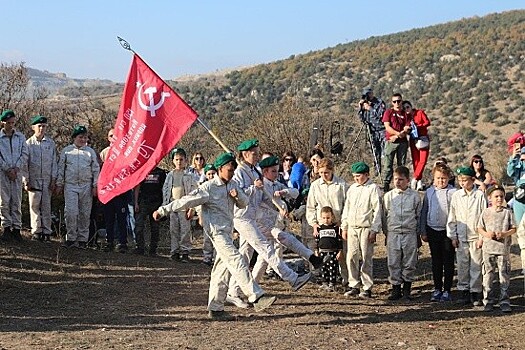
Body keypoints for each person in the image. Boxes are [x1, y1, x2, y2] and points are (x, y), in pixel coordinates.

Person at [153, 152, 276, 321]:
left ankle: (216, 308)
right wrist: (163, 210)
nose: (232, 173)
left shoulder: (232, 185)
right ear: (220, 169)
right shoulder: (208, 188)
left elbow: (244, 202)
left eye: (233, 170)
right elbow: (186, 200)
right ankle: (256, 296)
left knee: (222, 269)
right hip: (216, 233)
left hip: (227, 232)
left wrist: (237, 195)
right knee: (236, 259)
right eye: (229, 170)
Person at [227, 139, 311, 309]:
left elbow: (265, 196)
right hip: (243, 218)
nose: (257, 155)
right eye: (254, 153)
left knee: (244, 255)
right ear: (245, 154)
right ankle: (292, 278)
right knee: (265, 248)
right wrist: (253, 188)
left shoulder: (255, 172)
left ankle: (233, 292)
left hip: (254, 218)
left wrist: (278, 203)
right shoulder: (239, 173)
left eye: (258, 152)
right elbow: (238, 196)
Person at [252, 156, 322, 282]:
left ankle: (251, 287)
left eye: (277, 171)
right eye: (273, 171)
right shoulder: (260, 186)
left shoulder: (277, 184)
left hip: (272, 223)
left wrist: (284, 192)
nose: (276, 174)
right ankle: (308, 261)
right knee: (284, 238)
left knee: (264, 259)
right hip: (261, 225)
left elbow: (295, 192)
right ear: (265, 172)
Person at [446, 166, 487, 306]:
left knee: (476, 265)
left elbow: (483, 217)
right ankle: (464, 290)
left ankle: (475, 292)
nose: (462, 183)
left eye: (465, 180)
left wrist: (482, 237)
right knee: (463, 265)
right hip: (461, 237)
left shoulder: (480, 196)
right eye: (460, 180)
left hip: (475, 237)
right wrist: (453, 236)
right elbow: (453, 217)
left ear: (473, 180)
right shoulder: (457, 196)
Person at [306, 157, 349, 287]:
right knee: (323, 252)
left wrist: (343, 222)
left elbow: (347, 204)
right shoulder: (315, 186)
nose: (324, 175)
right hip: (322, 225)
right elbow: (311, 206)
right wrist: (314, 224)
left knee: (341, 252)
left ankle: (345, 279)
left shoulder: (341, 185)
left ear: (332, 171)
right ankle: (325, 278)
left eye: (326, 172)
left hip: (338, 224)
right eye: (321, 173)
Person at [341, 161, 382, 298]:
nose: (356, 179)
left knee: (366, 257)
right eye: (354, 176)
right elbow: (347, 208)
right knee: (351, 256)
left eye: (359, 176)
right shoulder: (352, 188)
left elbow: (377, 210)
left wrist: (374, 229)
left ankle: (367, 286)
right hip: (352, 226)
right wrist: (344, 226)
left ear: (366, 175)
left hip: (366, 227)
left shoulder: (373, 188)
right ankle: (353, 284)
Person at [56, 125, 100, 248]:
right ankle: (70, 238)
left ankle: (82, 239)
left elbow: (96, 170)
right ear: (74, 137)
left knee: (85, 213)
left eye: (85, 137)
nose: (83, 140)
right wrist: (59, 183)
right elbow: (61, 169)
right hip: (70, 185)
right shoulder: (67, 151)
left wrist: (95, 186)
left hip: (86, 185)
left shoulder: (90, 152)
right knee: (71, 212)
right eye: (80, 137)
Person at [382, 166, 422, 300]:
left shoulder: (415, 196)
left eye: (401, 179)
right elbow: (384, 215)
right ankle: (395, 288)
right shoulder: (388, 196)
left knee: (409, 262)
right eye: (395, 179)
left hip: (409, 233)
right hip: (394, 233)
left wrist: (418, 234)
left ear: (407, 180)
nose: (398, 182)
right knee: (393, 261)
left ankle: (407, 289)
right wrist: (386, 233)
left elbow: (418, 215)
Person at [420, 163, 456, 302]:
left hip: (447, 232)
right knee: (436, 261)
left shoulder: (453, 192)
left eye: (444, 178)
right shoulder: (429, 192)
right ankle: (437, 288)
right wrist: (423, 230)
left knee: (448, 261)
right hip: (432, 229)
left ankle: (447, 290)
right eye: (438, 178)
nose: (441, 181)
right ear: (433, 178)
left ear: (448, 178)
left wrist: (454, 233)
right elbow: (424, 211)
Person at [477, 186, 516, 312]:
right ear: (490, 198)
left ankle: (504, 300)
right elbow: (479, 227)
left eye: (501, 196)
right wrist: (486, 234)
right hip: (488, 249)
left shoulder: (507, 212)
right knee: (488, 274)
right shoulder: (486, 212)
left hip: (502, 249)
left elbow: (513, 228)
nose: (499, 199)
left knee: (504, 275)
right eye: (496, 196)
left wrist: (504, 234)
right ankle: (488, 299)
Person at [23, 115, 58, 242]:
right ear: (33, 127)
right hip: (34, 179)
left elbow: (54, 162)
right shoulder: (28, 144)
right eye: (39, 126)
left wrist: (54, 179)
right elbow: (24, 164)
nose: (42, 128)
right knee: (34, 205)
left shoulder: (50, 143)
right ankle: (36, 231)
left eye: (44, 126)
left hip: (47, 179)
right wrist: (26, 180)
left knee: (46, 206)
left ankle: (47, 231)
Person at [162, 147, 198, 262]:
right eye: (176, 159)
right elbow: (166, 190)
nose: (179, 162)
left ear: (185, 160)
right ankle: (174, 251)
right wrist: (165, 206)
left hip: (184, 207)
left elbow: (193, 192)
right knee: (174, 230)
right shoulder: (170, 176)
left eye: (181, 159)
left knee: (185, 230)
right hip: (173, 206)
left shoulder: (189, 176)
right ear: (173, 161)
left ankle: (185, 252)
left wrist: (191, 208)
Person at [0, 110, 28, 242]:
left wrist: (16, 168)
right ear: (3, 122)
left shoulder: (20, 137)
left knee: (16, 200)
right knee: (4, 201)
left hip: (17, 173)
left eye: (13, 122)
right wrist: (7, 169)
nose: (11, 125)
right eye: (8, 123)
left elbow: (24, 153)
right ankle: (6, 227)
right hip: (3, 173)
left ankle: (17, 228)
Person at [100, 129, 129, 253]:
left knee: (122, 218)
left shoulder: (125, 152)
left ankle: (123, 242)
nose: (113, 138)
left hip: (121, 191)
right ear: (108, 138)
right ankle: (109, 241)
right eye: (111, 135)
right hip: (108, 191)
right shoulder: (104, 153)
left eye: (115, 135)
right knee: (109, 218)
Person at [133, 166, 166, 256]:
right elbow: (137, 186)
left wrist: (164, 204)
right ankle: (140, 247)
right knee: (139, 225)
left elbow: (165, 188)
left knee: (155, 227)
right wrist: (136, 202)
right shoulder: (142, 169)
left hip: (156, 202)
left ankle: (153, 250)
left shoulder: (161, 172)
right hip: (143, 201)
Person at [382, 93, 411, 192]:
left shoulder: (406, 114)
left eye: (399, 101)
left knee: (401, 165)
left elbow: (407, 128)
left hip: (402, 142)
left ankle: (401, 184)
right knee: (388, 164)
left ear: (401, 101)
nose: (397, 103)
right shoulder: (388, 112)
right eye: (394, 101)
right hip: (391, 142)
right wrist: (396, 134)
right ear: (392, 102)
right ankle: (386, 183)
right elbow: (387, 127)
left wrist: (398, 135)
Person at [357, 87, 386, 175]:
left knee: (384, 152)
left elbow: (382, 116)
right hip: (371, 131)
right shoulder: (365, 104)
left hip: (381, 130)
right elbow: (361, 119)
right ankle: (377, 171)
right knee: (375, 151)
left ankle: (385, 173)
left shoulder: (379, 103)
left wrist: (370, 109)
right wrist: (360, 108)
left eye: (369, 94)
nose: (368, 96)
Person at [403, 101, 431, 191]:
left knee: (423, 160)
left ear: (411, 106)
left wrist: (418, 126)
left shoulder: (420, 113)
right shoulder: (406, 117)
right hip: (413, 139)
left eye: (407, 107)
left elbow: (427, 122)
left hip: (422, 138)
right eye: (404, 108)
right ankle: (419, 181)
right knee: (416, 161)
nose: (406, 109)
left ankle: (415, 179)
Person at [317, 206, 343, 292]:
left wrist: (340, 251)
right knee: (323, 267)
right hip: (322, 252)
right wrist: (316, 250)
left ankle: (332, 283)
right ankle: (324, 282)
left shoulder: (335, 228)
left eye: (328, 218)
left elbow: (339, 240)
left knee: (332, 268)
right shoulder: (320, 228)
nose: (326, 220)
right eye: (324, 218)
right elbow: (317, 240)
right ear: (321, 218)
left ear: (332, 217)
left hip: (332, 252)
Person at [201, 163, 217, 266]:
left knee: (217, 238)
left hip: (217, 216)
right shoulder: (203, 187)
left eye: (213, 174)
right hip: (206, 215)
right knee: (207, 238)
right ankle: (207, 257)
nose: (211, 176)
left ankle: (216, 258)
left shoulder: (219, 186)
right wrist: (200, 216)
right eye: (209, 174)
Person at [507, 145, 525, 225]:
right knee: (521, 227)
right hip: (520, 198)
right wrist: (513, 157)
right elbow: (510, 172)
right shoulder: (519, 166)